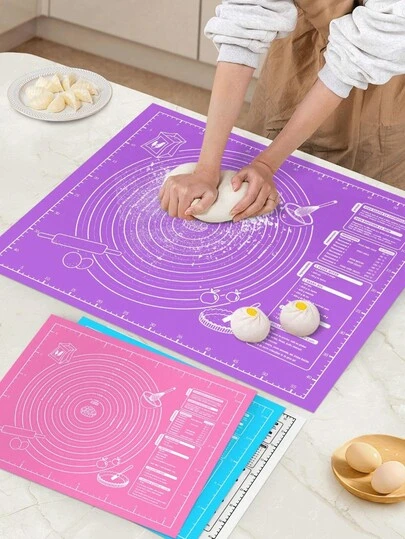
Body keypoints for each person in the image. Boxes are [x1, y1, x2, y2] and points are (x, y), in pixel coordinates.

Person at [159, 0, 405, 222]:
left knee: (358, 209)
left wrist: (266, 164)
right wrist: (206, 170)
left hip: (384, 73)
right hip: (299, 56)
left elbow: (360, 56)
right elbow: (247, 18)